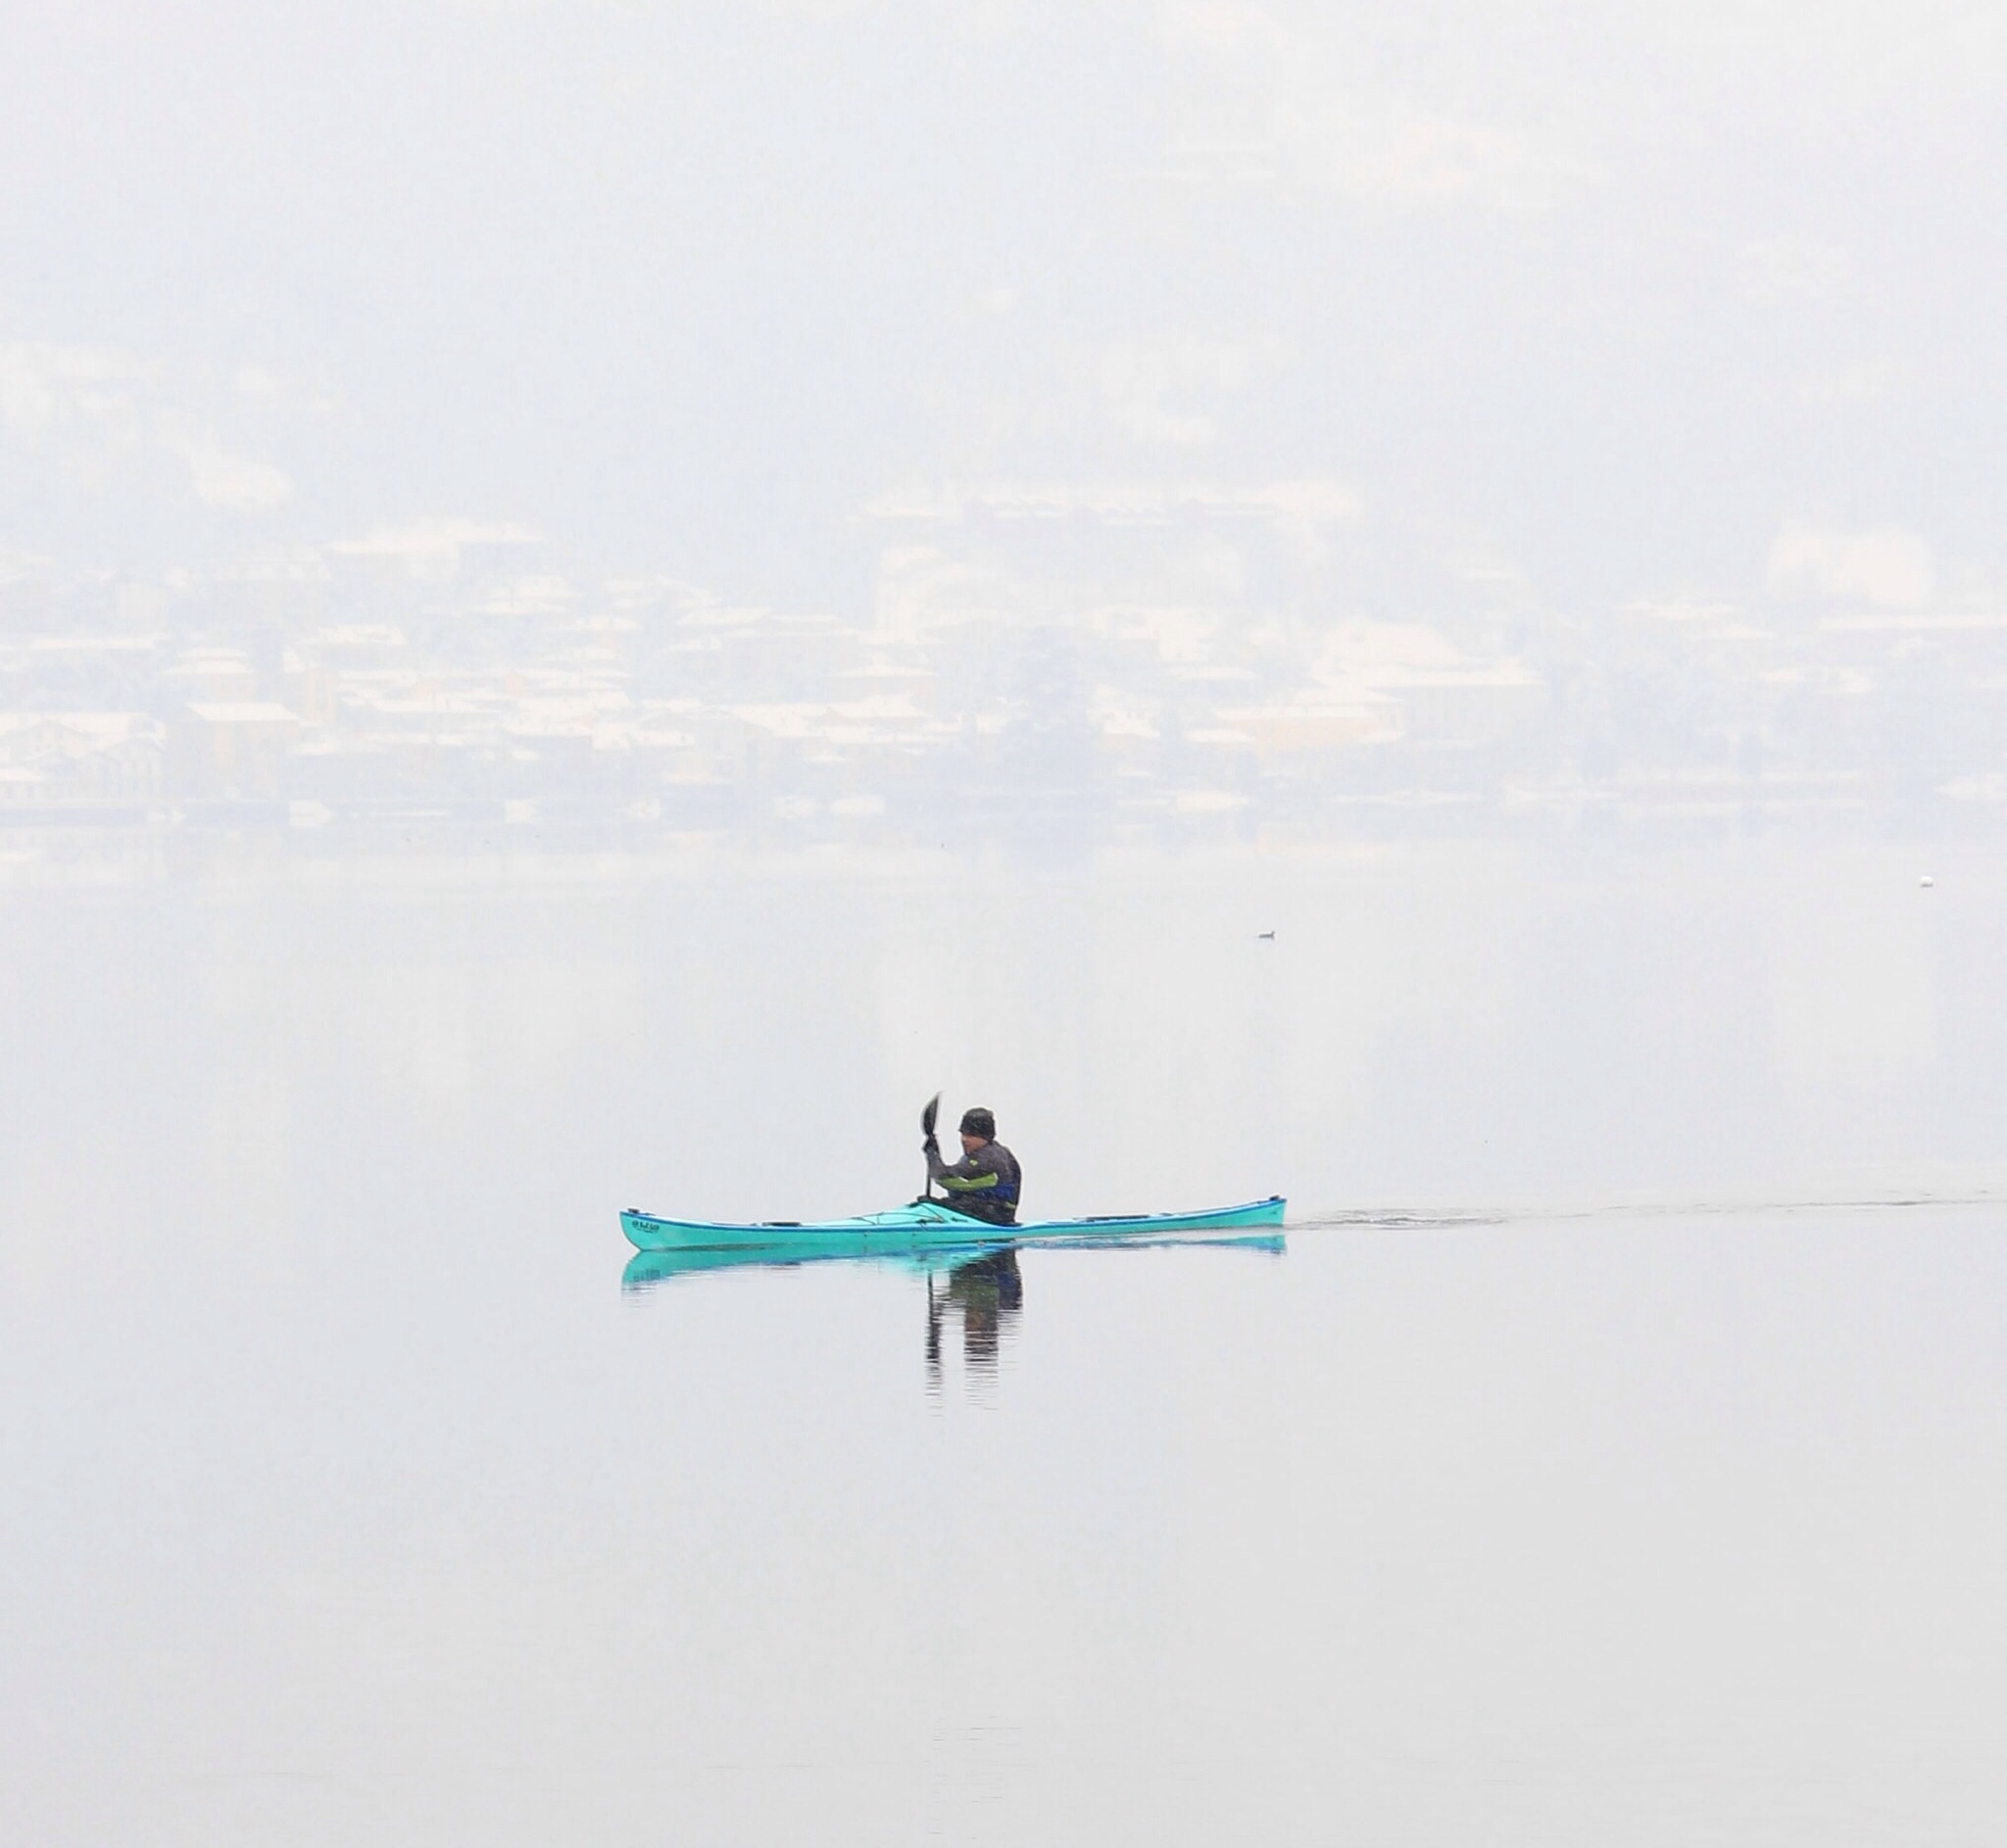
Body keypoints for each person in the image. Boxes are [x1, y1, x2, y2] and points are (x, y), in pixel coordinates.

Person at [923, 1106, 1022, 1225]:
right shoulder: (975, 1156)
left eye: (971, 1135)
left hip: (995, 1216)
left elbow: (947, 1179)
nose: (964, 1139)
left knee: (939, 1204)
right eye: (963, 1134)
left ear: (985, 1136)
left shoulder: (990, 1157)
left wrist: (932, 1155)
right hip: (977, 1209)